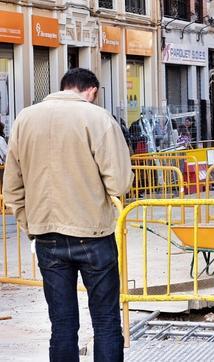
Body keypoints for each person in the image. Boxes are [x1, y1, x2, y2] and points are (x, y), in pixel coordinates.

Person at [3, 68, 132, 361]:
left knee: (61, 325)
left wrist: (31, 224)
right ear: (92, 91)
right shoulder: (98, 118)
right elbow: (119, 182)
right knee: (106, 323)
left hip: (47, 238)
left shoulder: (24, 119)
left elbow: (11, 187)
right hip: (93, 236)